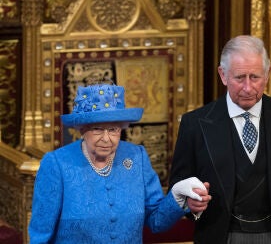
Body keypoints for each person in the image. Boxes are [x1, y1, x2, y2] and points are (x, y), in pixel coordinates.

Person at [169, 35, 271, 244]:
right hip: (221, 236)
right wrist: (190, 205)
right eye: (240, 78)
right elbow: (178, 187)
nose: (248, 88)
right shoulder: (195, 124)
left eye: (255, 77)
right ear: (223, 75)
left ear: (267, 74)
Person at [28, 83, 211, 243]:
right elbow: (40, 234)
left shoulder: (136, 156)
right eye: (98, 129)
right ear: (82, 129)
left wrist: (177, 196)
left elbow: (156, 221)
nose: (107, 138)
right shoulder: (57, 164)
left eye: (114, 130)